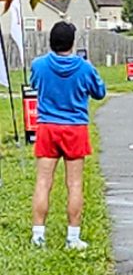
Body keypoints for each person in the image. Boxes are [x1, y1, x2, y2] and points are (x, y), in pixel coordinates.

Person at [30, 21, 106, 250]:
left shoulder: (39, 64)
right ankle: (72, 237)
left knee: (43, 182)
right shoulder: (84, 67)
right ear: (72, 43)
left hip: (47, 127)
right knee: (74, 184)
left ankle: (38, 235)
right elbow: (99, 92)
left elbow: (35, 84)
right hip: (75, 128)